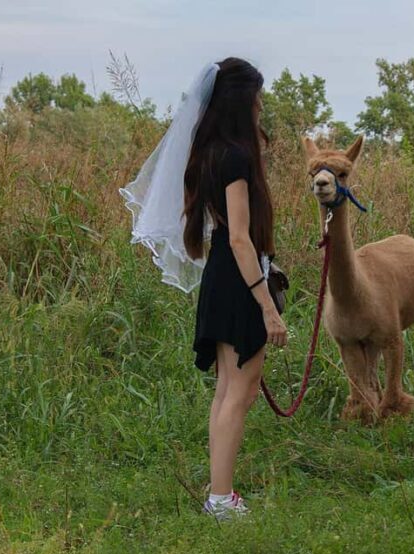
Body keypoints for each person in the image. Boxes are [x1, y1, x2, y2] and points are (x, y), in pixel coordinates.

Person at [120, 57, 287, 521]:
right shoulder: (236, 157)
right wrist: (267, 306)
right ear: (241, 101)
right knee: (240, 392)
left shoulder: (209, 153)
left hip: (221, 275)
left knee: (227, 390)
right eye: (256, 97)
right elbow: (239, 238)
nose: (260, 106)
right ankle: (221, 499)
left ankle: (220, 494)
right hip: (238, 279)